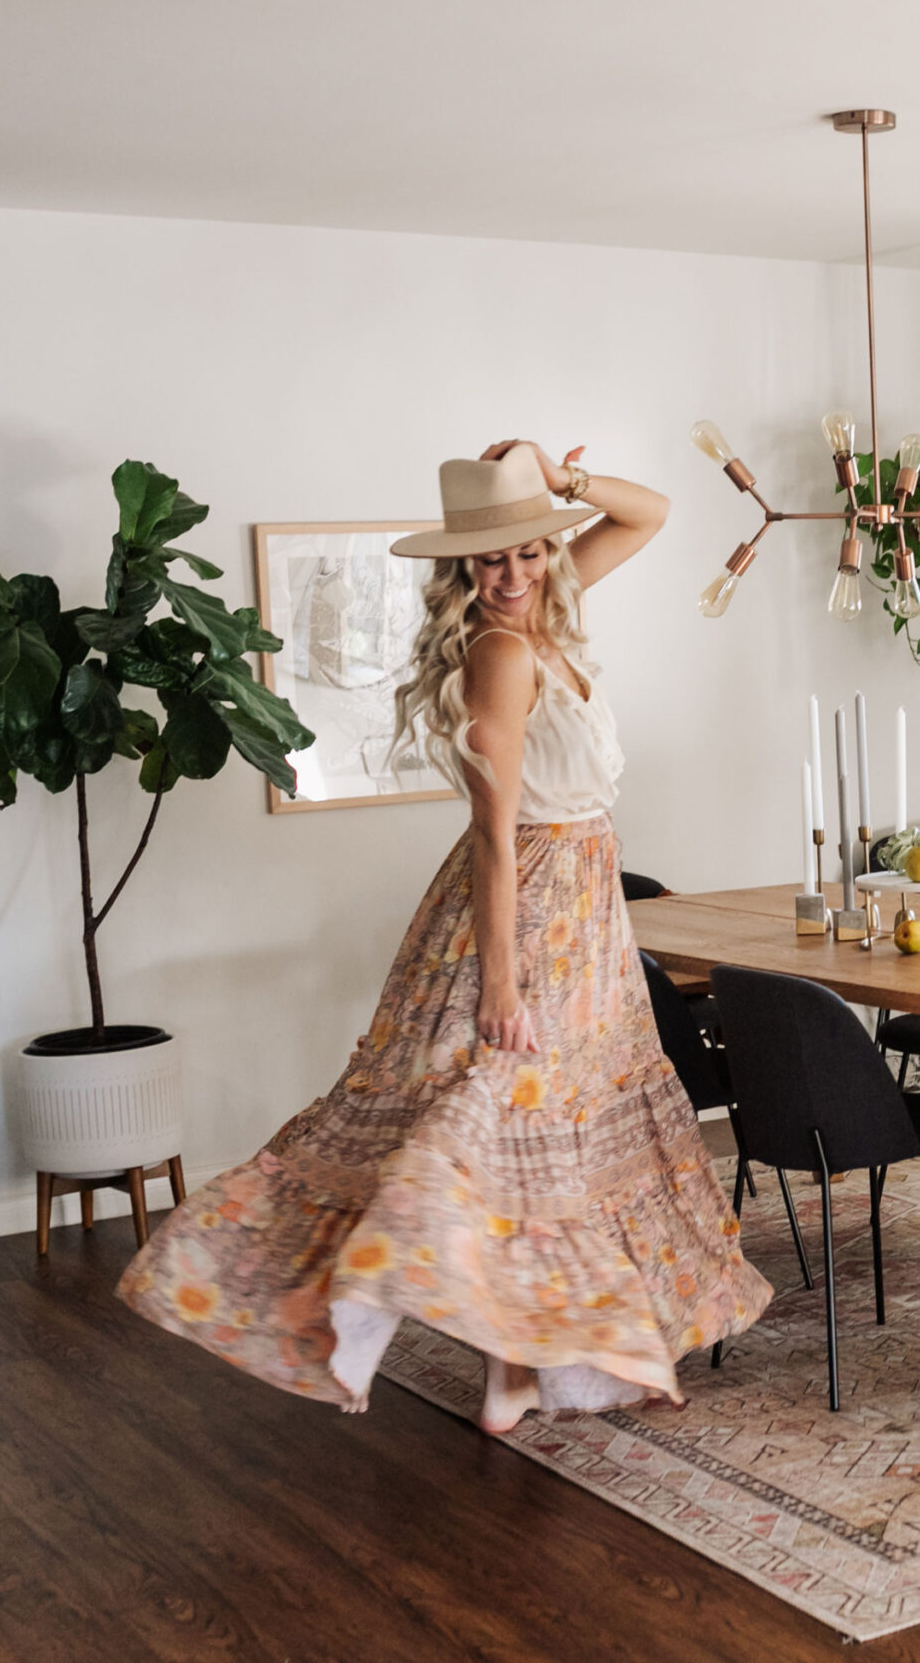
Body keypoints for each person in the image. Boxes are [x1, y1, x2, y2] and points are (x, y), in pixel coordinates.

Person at [119, 441, 771, 1434]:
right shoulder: (501, 654)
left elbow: (652, 513)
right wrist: (500, 987)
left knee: (533, 1142)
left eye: (525, 553)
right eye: (487, 560)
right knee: (483, 1122)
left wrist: (564, 479)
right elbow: (497, 838)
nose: (509, 575)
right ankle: (453, 1345)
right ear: (460, 570)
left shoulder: (552, 615)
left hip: (585, 909)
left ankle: (516, 1367)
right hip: (531, 914)